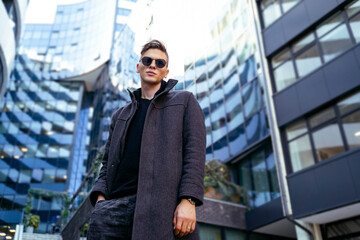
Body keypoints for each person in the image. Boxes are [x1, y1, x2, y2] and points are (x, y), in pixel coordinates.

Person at [87, 39, 206, 240]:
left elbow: (194, 154)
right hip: (111, 211)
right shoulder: (120, 115)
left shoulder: (185, 102)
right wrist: (100, 201)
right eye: (147, 60)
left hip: (161, 208)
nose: (153, 65)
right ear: (138, 66)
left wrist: (189, 200)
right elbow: (107, 163)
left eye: (160, 63)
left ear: (166, 72)